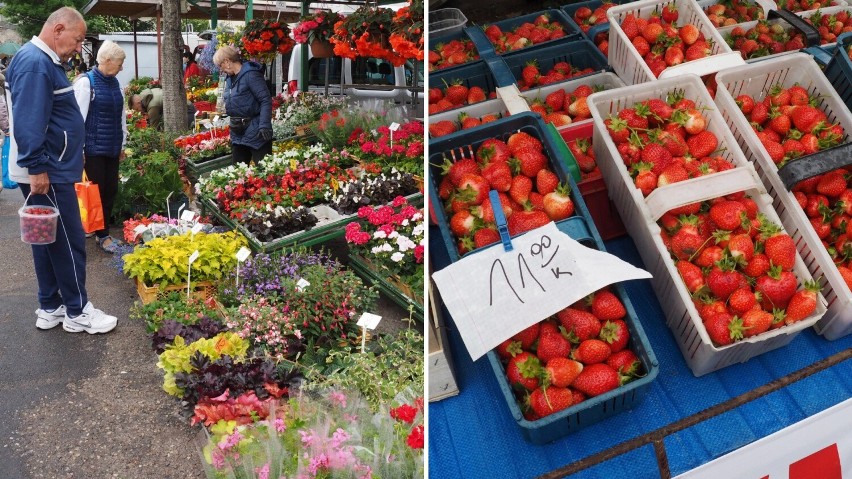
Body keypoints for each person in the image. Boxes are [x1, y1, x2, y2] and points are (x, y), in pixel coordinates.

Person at [6, 6, 118, 334]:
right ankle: (77, 310)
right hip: (48, 170)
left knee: (47, 238)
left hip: (49, 166)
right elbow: (29, 121)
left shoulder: (40, 61)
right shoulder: (35, 63)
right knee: (69, 240)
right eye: (77, 38)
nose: (78, 47)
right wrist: (40, 168)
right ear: (58, 29)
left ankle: (50, 305)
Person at [73, 39, 128, 253]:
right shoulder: (86, 83)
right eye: (119, 63)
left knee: (110, 190)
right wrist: (80, 151)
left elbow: (121, 116)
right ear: (106, 60)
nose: (122, 67)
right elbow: (77, 120)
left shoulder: (115, 83)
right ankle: (102, 236)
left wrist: (122, 143)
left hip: (112, 148)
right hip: (93, 149)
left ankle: (98, 231)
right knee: (97, 193)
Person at [213, 45, 272, 165]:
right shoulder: (230, 79)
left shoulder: (251, 74)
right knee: (238, 173)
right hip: (237, 132)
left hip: (256, 131)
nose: (221, 69)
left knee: (264, 170)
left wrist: (264, 125)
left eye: (221, 65)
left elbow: (265, 99)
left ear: (227, 61)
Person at [130, 87, 196, 130]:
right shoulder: (147, 94)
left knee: (182, 131)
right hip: (184, 105)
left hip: (187, 109)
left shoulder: (152, 106)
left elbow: (154, 128)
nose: (139, 111)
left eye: (137, 109)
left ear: (138, 103)